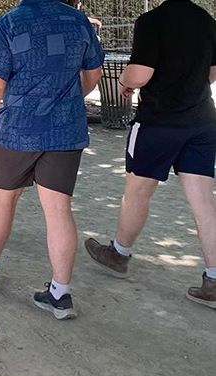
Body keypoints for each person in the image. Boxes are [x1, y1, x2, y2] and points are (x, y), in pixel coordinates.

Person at [0, 0, 103, 320]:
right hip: (65, 131)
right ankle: (60, 294)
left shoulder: (8, 24)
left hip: (18, 130)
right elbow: (93, 73)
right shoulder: (78, 21)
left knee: (4, 198)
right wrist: (65, 98)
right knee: (59, 209)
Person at [83, 0, 216, 310]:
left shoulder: (152, 20)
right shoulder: (206, 20)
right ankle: (213, 278)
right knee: (203, 201)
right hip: (201, 121)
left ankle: (119, 254)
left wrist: (125, 82)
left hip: (158, 122)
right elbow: (212, 72)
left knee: (137, 191)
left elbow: (140, 74)